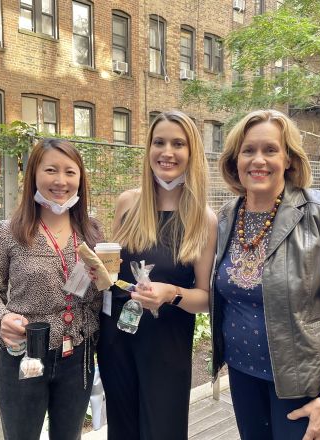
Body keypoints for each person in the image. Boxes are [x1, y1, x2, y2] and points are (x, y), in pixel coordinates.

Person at [211, 109, 320, 440]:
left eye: (270, 150)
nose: (258, 160)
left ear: (288, 158)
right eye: (248, 151)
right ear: (235, 160)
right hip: (243, 377)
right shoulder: (227, 216)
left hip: (303, 386)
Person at [97, 110, 217, 440]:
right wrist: (97, 273)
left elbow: (206, 298)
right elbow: (113, 276)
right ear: (148, 149)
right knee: (121, 430)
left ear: (192, 153)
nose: (167, 152)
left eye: (178, 144)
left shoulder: (203, 219)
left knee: (162, 430)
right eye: (159, 142)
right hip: (117, 338)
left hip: (167, 343)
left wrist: (172, 293)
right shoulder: (127, 203)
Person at [0, 138, 103, 440]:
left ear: (80, 179)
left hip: (77, 357)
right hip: (24, 354)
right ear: (34, 174)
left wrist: (108, 281)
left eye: (70, 172)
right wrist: (2, 319)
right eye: (51, 170)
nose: (61, 181)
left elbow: (98, 296)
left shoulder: (92, 232)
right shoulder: (9, 232)